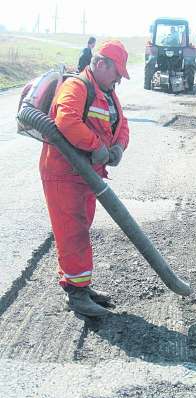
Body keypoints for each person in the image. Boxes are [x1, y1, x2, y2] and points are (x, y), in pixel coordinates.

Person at [40, 40, 130, 317]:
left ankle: (78, 284)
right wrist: (96, 146)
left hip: (86, 176)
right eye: (117, 72)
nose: (118, 79)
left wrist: (118, 147)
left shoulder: (108, 92)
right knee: (73, 232)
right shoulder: (77, 87)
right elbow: (66, 121)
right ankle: (77, 295)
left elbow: (122, 125)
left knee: (80, 228)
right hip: (65, 174)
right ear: (101, 64)